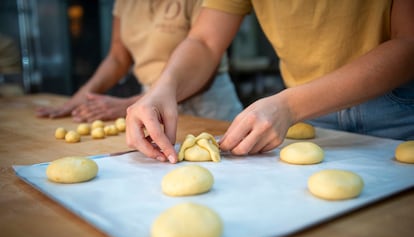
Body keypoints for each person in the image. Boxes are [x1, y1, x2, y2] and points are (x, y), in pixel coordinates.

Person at [124, 0, 414, 163]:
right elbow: (204, 42)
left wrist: (289, 105)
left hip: (400, 108)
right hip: (306, 119)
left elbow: (409, 43)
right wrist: (165, 87)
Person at [36, 0, 243, 122]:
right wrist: (82, 96)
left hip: (207, 103)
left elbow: (205, 59)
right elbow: (118, 57)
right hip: (148, 99)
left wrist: (130, 104)